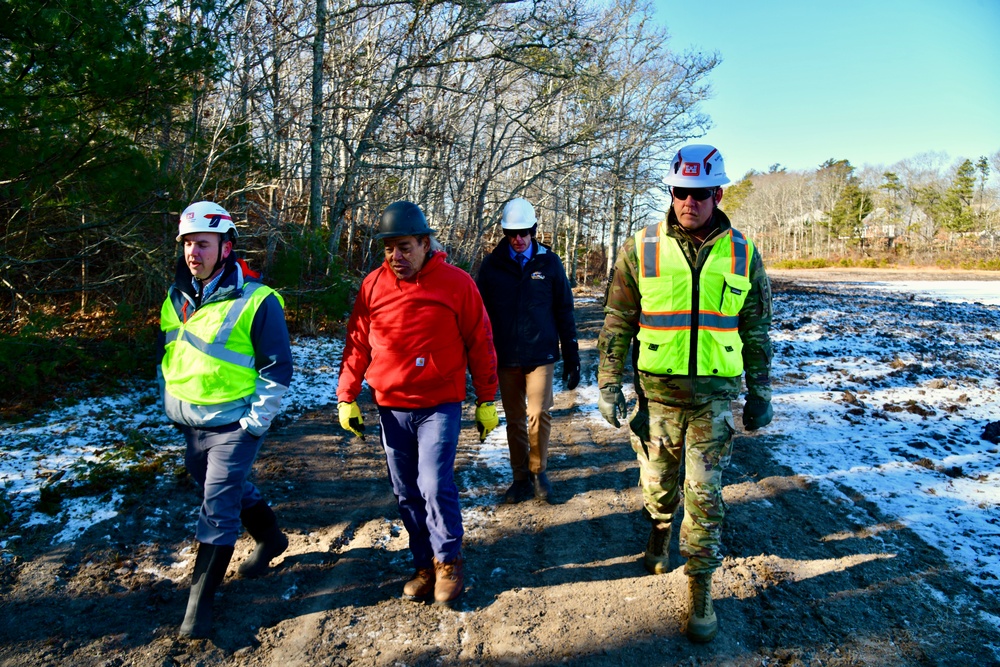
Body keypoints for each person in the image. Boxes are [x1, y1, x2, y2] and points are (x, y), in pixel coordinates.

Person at [596, 144, 773, 644]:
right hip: (657, 397)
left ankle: (700, 587)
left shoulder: (742, 253)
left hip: (714, 399)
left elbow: (757, 327)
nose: (687, 202)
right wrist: (609, 382)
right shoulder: (642, 248)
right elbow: (617, 321)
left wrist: (760, 392)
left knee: (705, 497)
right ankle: (658, 527)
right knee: (659, 486)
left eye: (698, 194)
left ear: (717, 193)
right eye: (679, 192)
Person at [336, 200, 499, 607]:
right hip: (391, 405)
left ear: (425, 243)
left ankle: (449, 562)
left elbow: (480, 341)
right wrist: (347, 395)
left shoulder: (457, 283)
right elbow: (357, 341)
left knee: (433, 483)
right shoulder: (373, 285)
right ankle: (423, 563)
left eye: (405, 246)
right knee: (406, 491)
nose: (396, 256)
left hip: (438, 404)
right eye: (389, 248)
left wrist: (486, 399)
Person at [158, 200, 294, 638]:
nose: (193, 253)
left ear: (226, 246)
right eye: (187, 244)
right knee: (225, 487)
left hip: (234, 425)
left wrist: (254, 423)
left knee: (216, 506)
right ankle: (272, 538)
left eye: (203, 244)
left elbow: (278, 368)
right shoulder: (175, 296)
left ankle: (197, 608)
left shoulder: (258, 300)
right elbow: (172, 352)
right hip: (191, 424)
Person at [476, 197, 580, 504]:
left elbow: (564, 309)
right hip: (505, 356)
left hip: (541, 355)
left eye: (524, 232)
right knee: (515, 419)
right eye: (512, 233)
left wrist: (572, 355)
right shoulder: (492, 265)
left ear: (534, 230)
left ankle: (539, 472)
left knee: (538, 413)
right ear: (505, 233)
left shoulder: (549, 262)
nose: (518, 239)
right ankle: (520, 477)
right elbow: (479, 315)